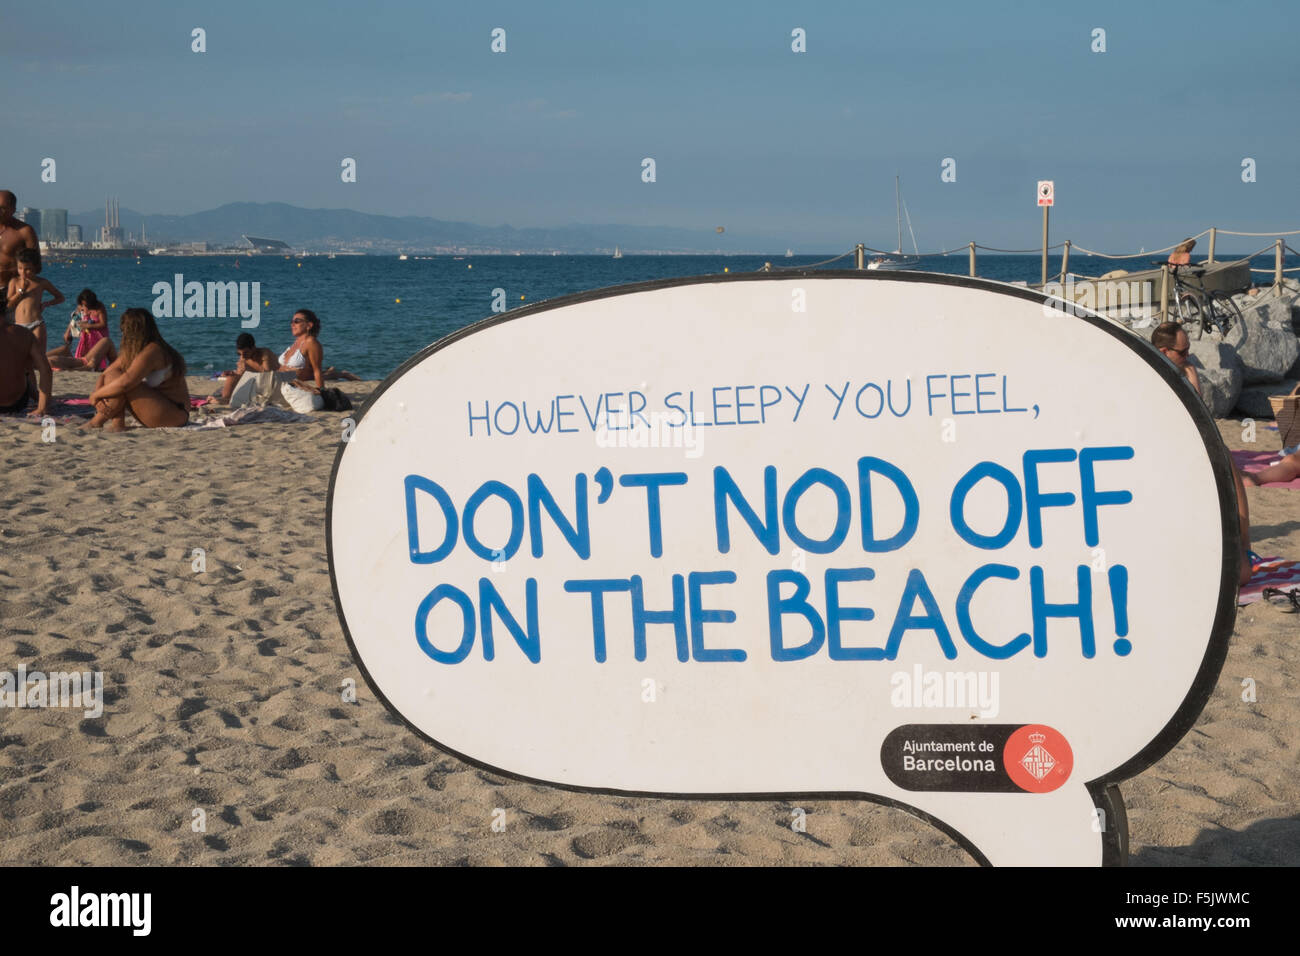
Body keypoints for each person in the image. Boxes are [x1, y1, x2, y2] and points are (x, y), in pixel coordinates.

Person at [1151, 322, 1253, 585]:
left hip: (1183, 453)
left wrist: (1190, 372)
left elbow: (1200, 421)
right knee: (1225, 460)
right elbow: (1196, 424)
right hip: (1170, 458)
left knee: (1225, 457)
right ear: (1164, 351)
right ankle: (1241, 547)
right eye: (1183, 352)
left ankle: (1240, 546)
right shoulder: (1152, 381)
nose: (1189, 357)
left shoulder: (1172, 372)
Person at [85, 307, 189, 430]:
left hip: (174, 413)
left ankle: (98, 422)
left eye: (124, 331)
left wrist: (95, 396)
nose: (122, 335)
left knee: (120, 381)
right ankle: (117, 424)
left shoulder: (153, 350)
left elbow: (125, 383)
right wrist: (97, 398)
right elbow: (105, 374)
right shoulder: (137, 350)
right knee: (113, 375)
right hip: (161, 408)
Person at [6, 248, 63, 353]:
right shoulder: (14, 282)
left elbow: (60, 297)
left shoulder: (41, 282)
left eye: (27, 269)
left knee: (38, 356)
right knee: (20, 357)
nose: (23, 272)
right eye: (20, 268)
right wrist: (20, 291)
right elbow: (9, 304)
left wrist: (46, 304)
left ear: (35, 267)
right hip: (19, 325)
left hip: (37, 324)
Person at [48, 289, 116, 371]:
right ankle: (84, 367)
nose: (83, 305)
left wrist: (88, 325)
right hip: (86, 336)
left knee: (97, 354)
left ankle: (98, 368)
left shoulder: (99, 307)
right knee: (83, 355)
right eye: (82, 303)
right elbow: (75, 319)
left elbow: (103, 324)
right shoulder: (81, 306)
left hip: (99, 335)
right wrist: (67, 332)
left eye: (85, 304)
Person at [211, 332, 280, 404]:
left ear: (253, 347)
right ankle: (226, 398)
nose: (242, 356)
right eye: (239, 354)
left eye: (245, 353)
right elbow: (239, 374)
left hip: (272, 384)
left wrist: (249, 369)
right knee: (231, 378)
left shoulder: (264, 353)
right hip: (256, 383)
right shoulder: (244, 358)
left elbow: (268, 376)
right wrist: (233, 373)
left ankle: (227, 400)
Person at [0, 320, 51, 416]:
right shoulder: (25, 333)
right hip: (17, 403)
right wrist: (42, 408)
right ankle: (38, 398)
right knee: (23, 370)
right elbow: (45, 369)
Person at [0, 191, 40, 286]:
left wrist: (8, 273)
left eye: (3, 208)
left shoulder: (24, 231)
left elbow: (37, 266)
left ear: (13, 210)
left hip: (13, 289)